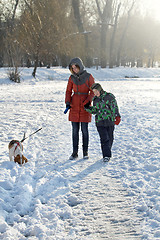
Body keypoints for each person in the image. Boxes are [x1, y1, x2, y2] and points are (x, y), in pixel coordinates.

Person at [65, 57, 95, 160]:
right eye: (72, 68)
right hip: (74, 106)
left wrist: (87, 101)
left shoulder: (88, 77)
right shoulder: (71, 78)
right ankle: (74, 152)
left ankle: (85, 152)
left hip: (85, 107)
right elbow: (68, 91)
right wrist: (68, 102)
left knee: (84, 130)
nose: (74, 69)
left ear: (80, 66)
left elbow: (93, 91)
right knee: (75, 131)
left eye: (76, 67)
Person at [84, 83, 121, 162]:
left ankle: (107, 151)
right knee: (104, 139)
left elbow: (114, 107)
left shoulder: (109, 97)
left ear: (100, 89)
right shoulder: (95, 99)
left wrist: (117, 116)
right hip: (100, 122)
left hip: (109, 120)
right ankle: (106, 155)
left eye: (96, 91)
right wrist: (87, 107)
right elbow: (95, 111)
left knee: (110, 138)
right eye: (94, 92)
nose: (95, 93)